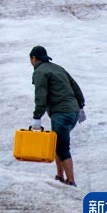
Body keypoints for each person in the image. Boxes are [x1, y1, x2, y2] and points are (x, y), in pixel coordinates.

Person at [28, 46, 85, 186]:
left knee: (62, 146)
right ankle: (60, 176)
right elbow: (75, 86)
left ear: (34, 58)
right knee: (57, 143)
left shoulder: (40, 71)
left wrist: (37, 117)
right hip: (72, 111)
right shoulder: (58, 68)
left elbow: (41, 95)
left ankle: (71, 180)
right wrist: (80, 106)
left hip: (61, 113)